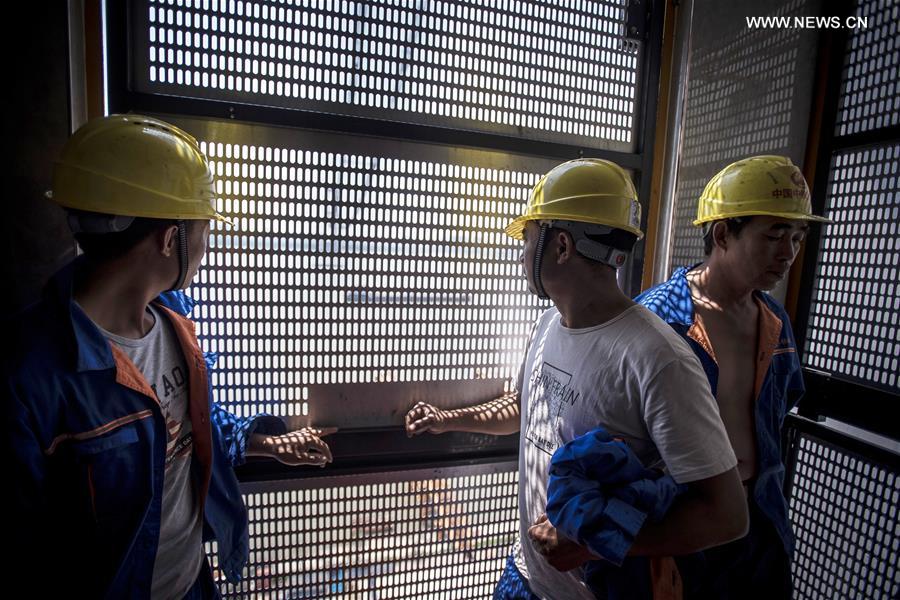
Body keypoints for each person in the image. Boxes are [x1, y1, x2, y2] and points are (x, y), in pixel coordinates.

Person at [5, 114, 333, 599]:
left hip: (190, 583)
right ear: (168, 239)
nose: (205, 246)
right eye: (202, 229)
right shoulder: (28, 374)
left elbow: (182, 429)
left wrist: (265, 443)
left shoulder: (175, 322)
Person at [405, 158, 748, 599]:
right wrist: (449, 418)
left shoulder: (658, 359)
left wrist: (593, 542)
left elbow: (726, 515)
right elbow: (529, 409)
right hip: (526, 574)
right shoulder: (547, 325)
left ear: (562, 245)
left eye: (528, 239)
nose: (522, 254)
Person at [636, 155, 828, 597]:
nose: (789, 253)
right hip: (683, 521)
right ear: (722, 233)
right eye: (774, 234)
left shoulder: (774, 322)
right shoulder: (659, 318)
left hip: (760, 521)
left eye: (797, 237)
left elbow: (779, 412)